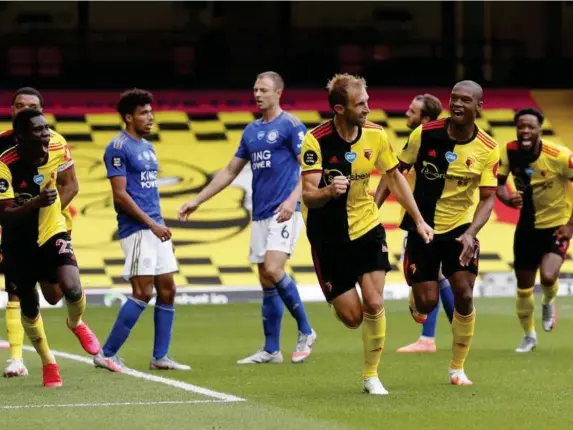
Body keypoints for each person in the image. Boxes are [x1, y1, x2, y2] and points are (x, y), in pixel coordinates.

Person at [301, 73, 433, 395]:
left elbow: (395, 177)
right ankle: (340, 302)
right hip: (327, 236)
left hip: (366, 227)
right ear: (339, 108)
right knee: (353, 318)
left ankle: (371, 375)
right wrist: (329, 191)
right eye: (360, 104)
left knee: (374, 302)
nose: (368, 109)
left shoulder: (376, 135)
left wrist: (418, 219)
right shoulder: (315, 140)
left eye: (367, 101)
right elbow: (307, 195)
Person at [179, 71, 317, 364]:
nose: (257, 94)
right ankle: (271, 349)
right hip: (260, 214)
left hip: (285, 212)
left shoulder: (292, 126)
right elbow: (230, 172)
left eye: (263, 90)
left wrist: (293, 201)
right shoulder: (251, 131)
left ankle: (306, 330)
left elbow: (308, 169)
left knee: (273, 267)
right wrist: (197, 201)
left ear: (278, 92)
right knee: (266, 279)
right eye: (255, 89)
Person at [396, 80, 499, 386]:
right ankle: (416, 296)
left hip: (459, 229)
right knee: (426, 303)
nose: (457, 104)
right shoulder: (424, 134)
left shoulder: (489, 149)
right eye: (454, 98)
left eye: (466, 100)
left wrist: (472, 232)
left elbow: (488, 197)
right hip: (423, 227)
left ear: (478, 108)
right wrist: (376, 209)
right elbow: (396, 171)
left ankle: (457, 368)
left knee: (464, 295)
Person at [0, 109, 100, 387]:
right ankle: (48, 362)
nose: (45, 134)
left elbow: (71, 183)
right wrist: (35, 203)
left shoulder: (58, 146)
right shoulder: (4, 163)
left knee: (72, 288)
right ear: (20, 136)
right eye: (38, 130)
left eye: (46, 128)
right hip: (18, 240)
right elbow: (4, 213)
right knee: (30, 306)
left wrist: (50, 207)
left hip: (52, 228)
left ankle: (76, 322)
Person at [95, 89, 189, 373]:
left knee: (168, 290)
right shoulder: (117, 147)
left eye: (151, 111)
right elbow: (121, 195)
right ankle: (106, 353)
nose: (150, 117)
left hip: (155, 228)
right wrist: (151, 224)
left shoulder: (148, 147)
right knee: (142, 291)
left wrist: (160, 227)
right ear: (128, 117)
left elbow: (149, 192)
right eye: (144, 112)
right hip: (136, 229)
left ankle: (160, 357)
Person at [374, 94, 455, 353]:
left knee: (426, 276)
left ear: (427, 119)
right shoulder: (426, 140)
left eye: (412, 111)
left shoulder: (425, 137)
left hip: (427, 220)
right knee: (439, 276)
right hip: (437, 219)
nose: (406, 115)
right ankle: (440, 334)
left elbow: (392, 174)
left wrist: (374, 207)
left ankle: (429, 337)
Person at [497, 107, 571, 353]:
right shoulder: (509, 151)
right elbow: (497, 184)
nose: (525, 131)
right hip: (527, 228)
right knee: (523, 287)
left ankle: (549, 301)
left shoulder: (559, 156)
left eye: (530, 126)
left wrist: (570, 226)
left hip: (556, 227)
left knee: (548, 276)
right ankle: (529, 336)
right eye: (521, 126)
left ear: (540, 128)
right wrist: (507, 199)